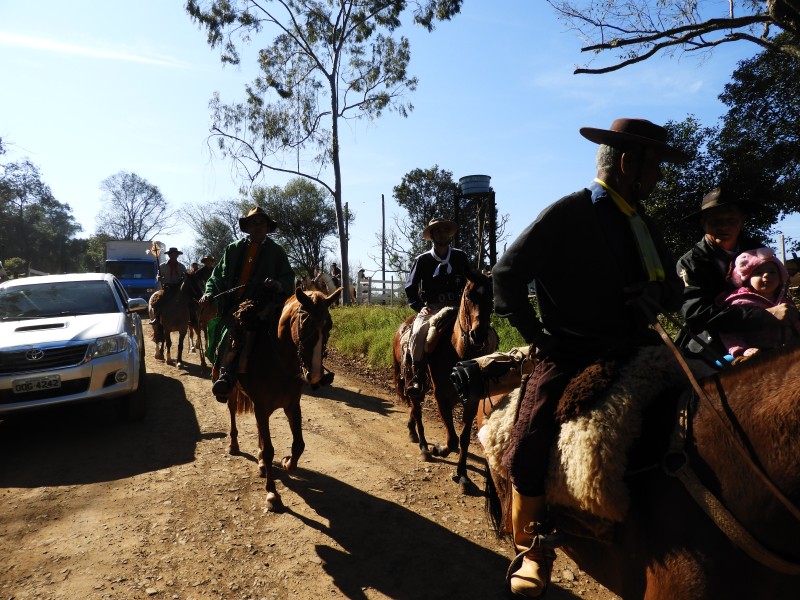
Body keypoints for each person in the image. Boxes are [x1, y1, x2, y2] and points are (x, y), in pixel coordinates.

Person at [492, 118, 686, 597]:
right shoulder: (570, 212)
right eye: (655, 167)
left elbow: (675, 290)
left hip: (641, 345)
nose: (659, 176)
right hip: (573, 351)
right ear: (629, 163)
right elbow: (507, 274)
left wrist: (657, 291)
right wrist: (538, 336)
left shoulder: (644, 224)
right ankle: (532, 546)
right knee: (530, 436)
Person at [675, 188, 798, 360]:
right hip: (711, 347)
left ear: (742, 221)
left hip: (768, 341)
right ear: (703, 224)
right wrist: (763, 316)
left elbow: (777, 292)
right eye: (715, 221)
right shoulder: (690, 263)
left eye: (731, 220)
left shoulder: (758, 252)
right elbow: (695, 314)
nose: (724, 226)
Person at [199, 207, 295, 402]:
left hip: (268, 303)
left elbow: (288, 277)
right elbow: (217, 277)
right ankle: (226, 376)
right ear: (247, 227)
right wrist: (209, 293)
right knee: (231, 331)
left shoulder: (277, 251)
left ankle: (304, 371)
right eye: (254, 223)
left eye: (262, 223)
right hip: (236, 307)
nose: (258, 227)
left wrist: (278, 284)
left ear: (268, 227)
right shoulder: (233, 249)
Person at [403, 217, 469, 397]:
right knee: (418, 332)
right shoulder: (422, 260)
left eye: (445, 230)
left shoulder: (460, 256)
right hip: (433, 307)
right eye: (438, 231)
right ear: (431, 236)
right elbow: (410, 287)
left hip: (458, 306)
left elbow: (469, 281)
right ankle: (417, 376)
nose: (442, 234)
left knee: (483, 331)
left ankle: (486, 374)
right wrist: (419, 306)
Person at [716, 248, 800, 358]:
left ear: (781, 279)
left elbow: (797, 326)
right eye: (758, 272)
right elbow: (730, 333)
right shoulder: (740, 303)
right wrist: (743, 350)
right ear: (747, 280)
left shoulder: (786, 302)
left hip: (785, 354)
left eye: (772, 272)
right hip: (755, 356)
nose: (766, 275)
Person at [149, 248, 188, 325]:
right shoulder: (162, 266)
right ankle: (156, 318)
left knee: (189, 300)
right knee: (158, 301)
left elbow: (186, 276)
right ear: (169, 255)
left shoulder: (181, 266)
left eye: (176, 255)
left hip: (178, 287)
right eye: (172, 255)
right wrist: (159, 278)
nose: (174, 257)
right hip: (167, 287)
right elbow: (158, 276)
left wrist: (183, 280)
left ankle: (192, 318)